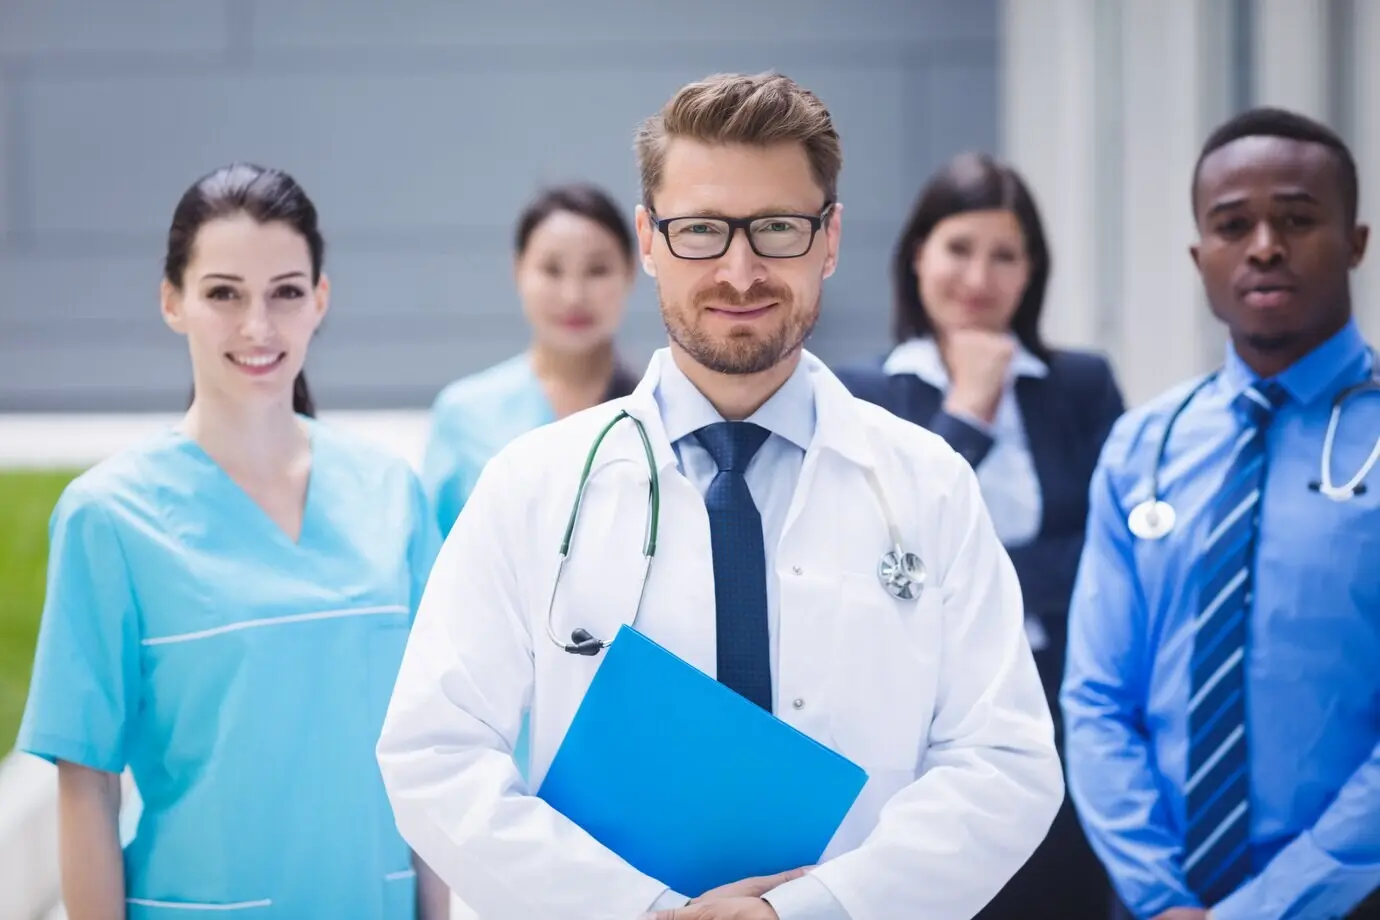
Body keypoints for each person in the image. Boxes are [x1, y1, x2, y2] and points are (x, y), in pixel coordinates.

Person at [377, 71, 1062, 920]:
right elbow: (435, 752)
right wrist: (651, 911)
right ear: (650, 241)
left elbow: (1006, 759)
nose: (741, 271)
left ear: (830, 238)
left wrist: (815, 909)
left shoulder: (926, 487)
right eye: (702, 230)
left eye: (777, 229)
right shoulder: (533, 487)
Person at [16, 163, 448, 919]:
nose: (258, 327)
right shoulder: (109, 517)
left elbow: (430, 745)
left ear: (320, 300)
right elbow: (86, 782)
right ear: (172, 303)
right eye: (223, 293)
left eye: (285, 291)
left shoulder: (392, 494)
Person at [1061, 107, 1380, 920]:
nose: (1265, 245)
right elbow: (1097, 701)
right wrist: (1159, 895)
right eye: (1233, 225)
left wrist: (1269, 908)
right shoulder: (1143, 447)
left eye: (1299, 219)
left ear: (1356, 242)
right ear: (1201, 258)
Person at [836, 150, 1122, 919]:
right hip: (914, 721)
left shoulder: (1082, 386)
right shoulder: (861, 393)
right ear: (918, 256)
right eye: (960, 248)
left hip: (1061, 707)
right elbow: (875, 560)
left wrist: (960, 583)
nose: (979, 276)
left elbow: (1112, 561)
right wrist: (968, 407)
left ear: (1032, 273)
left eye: (1005, 255)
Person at [422, 182, 640, 542]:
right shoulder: (464, 415)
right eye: (552, 270)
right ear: (518, 269)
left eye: (597, 270)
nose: (573, 296)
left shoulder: (658, 406)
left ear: (632, 271)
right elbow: (435, 560)